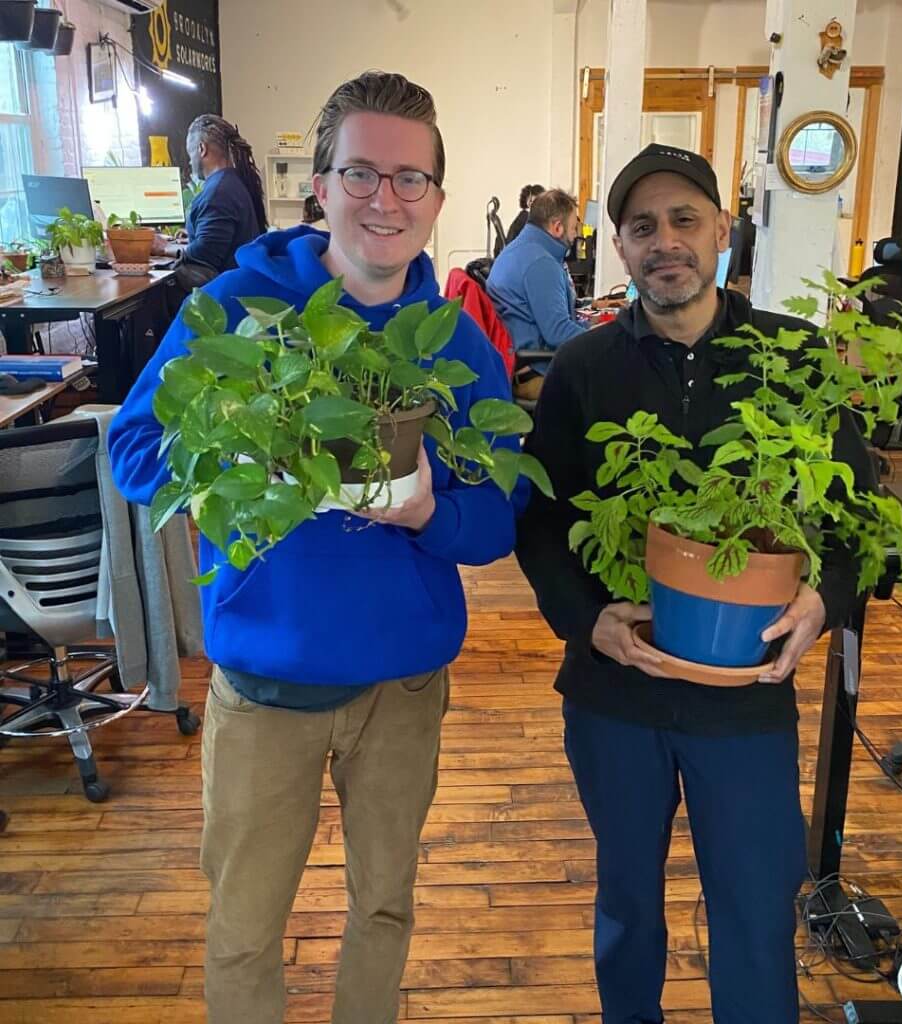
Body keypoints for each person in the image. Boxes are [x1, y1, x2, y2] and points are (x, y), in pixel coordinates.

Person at [108, 70, 522, 1024]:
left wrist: (428, 513)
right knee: (245, 927)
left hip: (403, 689)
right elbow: (135, 448)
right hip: (265, 688)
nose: (387, 199)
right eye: (363, 173)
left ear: (437, 198)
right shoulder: (241, 307)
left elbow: (498, 518)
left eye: (410, 178)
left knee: (385, 904)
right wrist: (246, 472)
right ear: (322, 187)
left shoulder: (456, 344)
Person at [515, 143, 874, 1024]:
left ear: (722, 229)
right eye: (643, 227)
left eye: (684, 220)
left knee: (753, 913)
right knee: (628, 909)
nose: (665, 241)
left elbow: (857, 521)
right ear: (619, 247)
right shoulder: (584, 369)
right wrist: (587, 620)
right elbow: (538, 520)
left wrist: (822, 601)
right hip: (616, 693)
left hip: (746, 691)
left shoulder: (793, 358)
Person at [486, 188, 586, 400]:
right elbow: (557, 332)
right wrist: (605, 337)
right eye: (574, 227)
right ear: (557, 227)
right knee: (621, 379)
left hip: (525, 366)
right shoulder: (540, 263)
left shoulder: (521, 250)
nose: (576, 234)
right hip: (537, 373)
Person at [153, 114, 268, 294]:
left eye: (190, 154)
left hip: (224, 297)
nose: (190, 162)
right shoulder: (233, 181)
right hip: (241, 288)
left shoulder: (218, 192)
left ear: (201, 149)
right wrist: (194, 235)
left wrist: (164, 247)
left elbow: (204, 256)